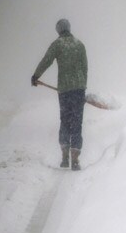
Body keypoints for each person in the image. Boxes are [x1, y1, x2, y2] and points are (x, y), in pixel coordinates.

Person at [31, 19, 88, 170]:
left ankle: (64, 157)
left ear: (58, 30)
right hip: (78, 90)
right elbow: (85, 68)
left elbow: (46, 60)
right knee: (77, 122)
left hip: (64, 91)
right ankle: (75, 159)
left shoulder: (57, 44)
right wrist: (82, 87)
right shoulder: (79, 45)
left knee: (65, 121)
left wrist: (36, 76)